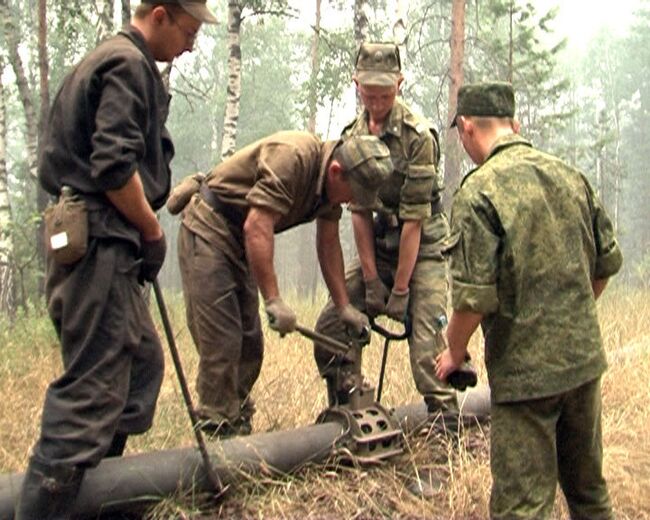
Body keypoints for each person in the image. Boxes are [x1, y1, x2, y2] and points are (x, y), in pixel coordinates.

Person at [15, 2, 217, 518]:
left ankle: (96, 496)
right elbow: (112, 165)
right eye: (189, 31)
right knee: (92, 391)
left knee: (138, 365)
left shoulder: (111, 59)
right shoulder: (127, 64)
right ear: (158, 14)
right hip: (102, 241)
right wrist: (152, 231)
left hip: (104, 239)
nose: (192, 44)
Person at [435, 81, 623, 519]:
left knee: (523, 508)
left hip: (525, 378)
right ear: (514, 124)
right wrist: (568, 318)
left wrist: (453, 353)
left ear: (466, 129)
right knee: (590, 495)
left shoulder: (478, 193)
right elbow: (604, 267)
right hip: (582, 364)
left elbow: (471, 301)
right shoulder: (568, 175)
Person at [175, 131, 392, 437]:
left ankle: (236, 425)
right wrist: (274, 299)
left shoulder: (330, 183)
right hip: (210, 228)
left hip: (239, 240)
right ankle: (217, 437)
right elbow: (257, 225)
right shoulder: (293, 159)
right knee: (222, 343)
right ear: (336, 172)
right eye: (353, 193)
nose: (352, 202)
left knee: (250, 344)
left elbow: (328, 243)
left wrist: (344, 306)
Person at [313, 42, 458, 416]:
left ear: (400, 83)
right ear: (356, 84)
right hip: (378, 245)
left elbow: (414, 220)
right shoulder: (352, 135)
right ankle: (348, 410)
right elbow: (359, 212)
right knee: (333, 322)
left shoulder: (419, 137)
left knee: (427, 349)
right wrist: (373, 281)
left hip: (422, 246)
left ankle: (447, 422)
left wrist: (400, 290)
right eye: (369, 94)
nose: (376, 103)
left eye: (385, 94)